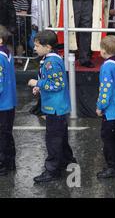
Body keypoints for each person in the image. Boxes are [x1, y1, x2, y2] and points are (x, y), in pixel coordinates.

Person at [27, 30, 75, 183]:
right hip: (57, 107)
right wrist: (40, 87)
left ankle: (52, 170)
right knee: (60, 136)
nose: (35, 48)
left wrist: (37, 83)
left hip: (55, 107)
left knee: (53, 139)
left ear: (48, 47)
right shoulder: (49, 58)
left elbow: (57, 85)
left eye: (37, 46)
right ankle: (68, 162)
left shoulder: (51, 62)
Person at [95, 35, 115, 179]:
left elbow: (105, 89)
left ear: (103, 51)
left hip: (111, 111)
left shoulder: (106, 67)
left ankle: (112, 167)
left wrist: (100, 106)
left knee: (108, 140)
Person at [0, 26, 16, 176]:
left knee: (2, 135)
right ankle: (10, 161)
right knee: (6, 133)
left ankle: (3, 163)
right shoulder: (8, 53)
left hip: (2, 102)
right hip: (9, 101)